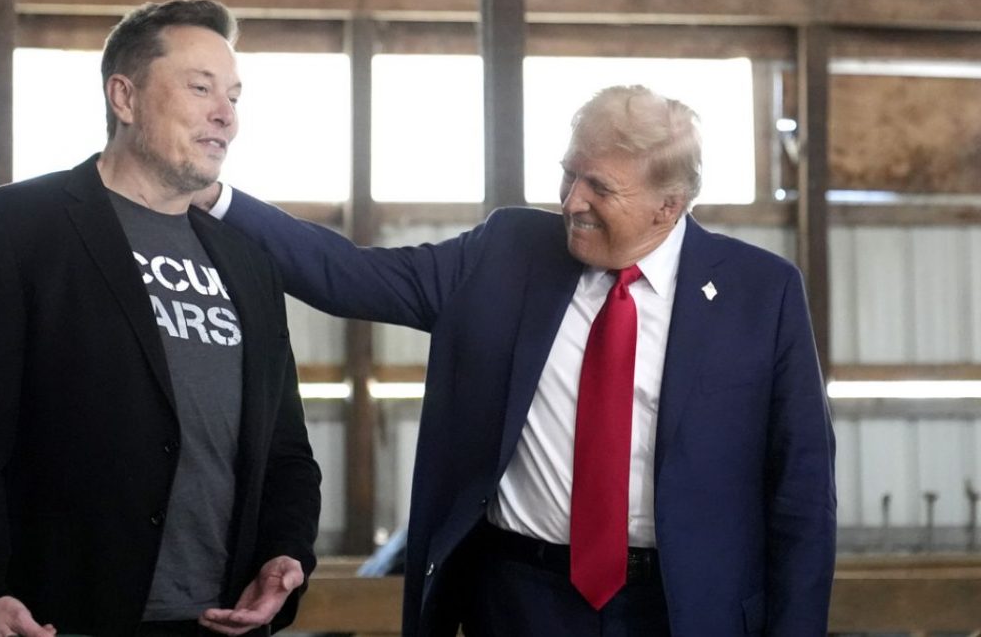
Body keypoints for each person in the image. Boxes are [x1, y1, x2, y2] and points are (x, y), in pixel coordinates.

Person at [197, 85, 836, 635]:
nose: (571, 201)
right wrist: (212, 196)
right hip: (521, 600)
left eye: (600, 187)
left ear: (667, 207)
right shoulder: (509, 252)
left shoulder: (761, 291)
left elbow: (802, 494)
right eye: (569, 173)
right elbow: (350, 277)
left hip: (683, 609)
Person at [0, 0, 321, 637]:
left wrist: (286, 554)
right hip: (63, 615)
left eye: (235, 96)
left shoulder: (248, 256)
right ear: (125, 97)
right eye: (201, 89)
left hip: (220, 618)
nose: (226, 115)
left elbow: (286, 450)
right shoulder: (16, 228)